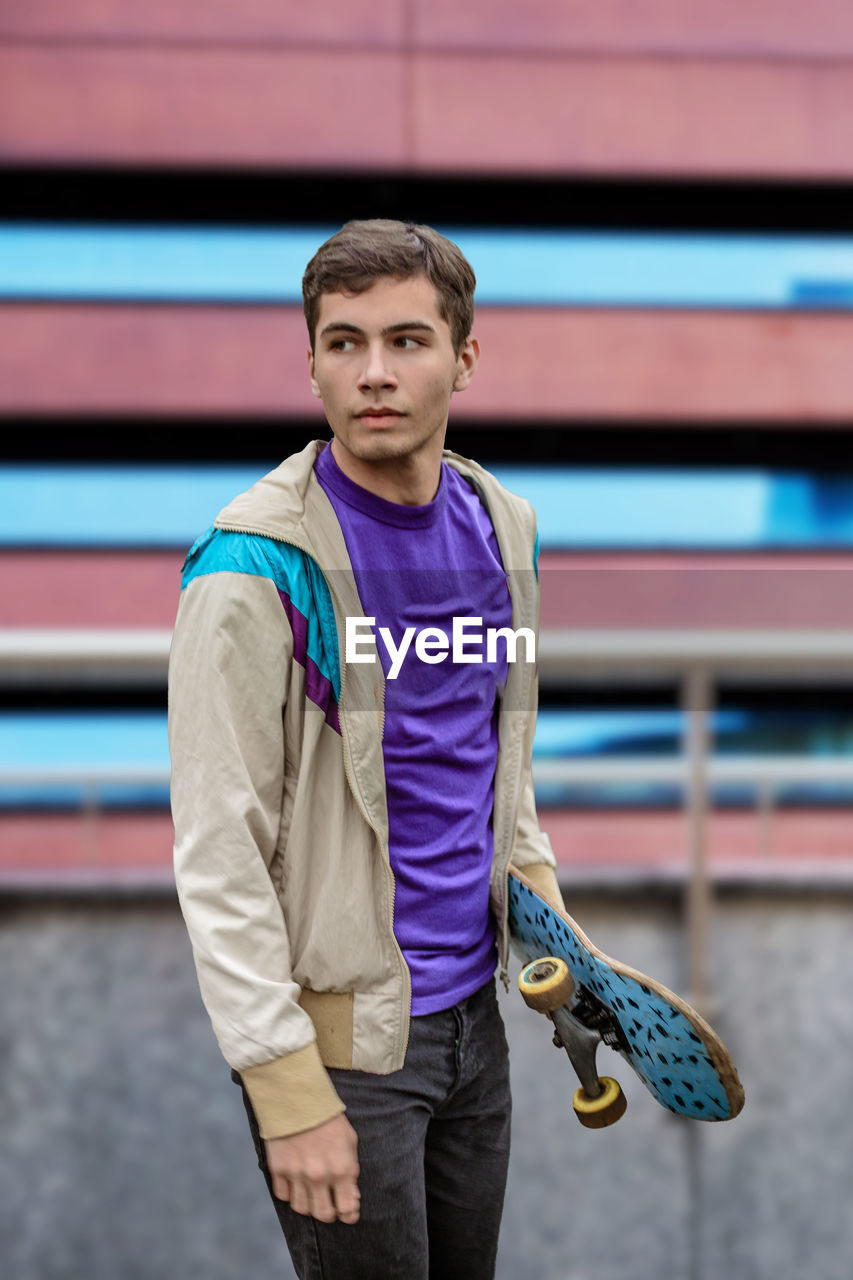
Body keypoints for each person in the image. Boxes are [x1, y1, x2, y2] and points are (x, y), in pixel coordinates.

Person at [168, 218, 563, 1280]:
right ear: (310, 363)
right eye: (342, 344)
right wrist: (284, 1086)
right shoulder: (253, 564)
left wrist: (541, 904)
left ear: (464, 357)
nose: (372, 373)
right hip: (344, 1049)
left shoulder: (502, 525)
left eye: (405, 340)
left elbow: (494, 752)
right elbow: (217, 847)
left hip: (476, 1024)